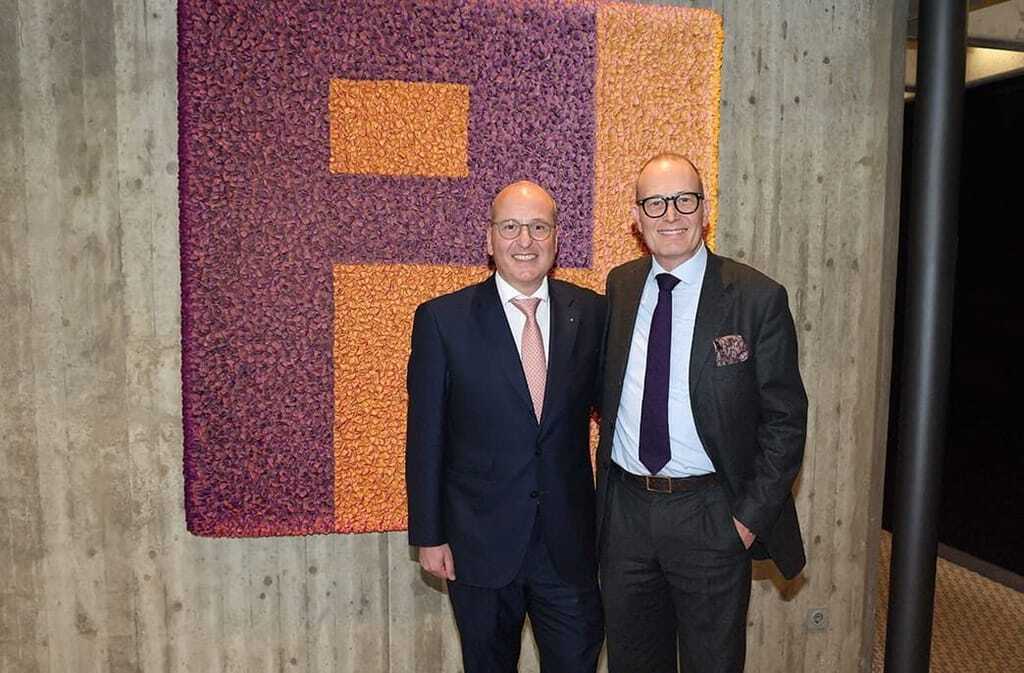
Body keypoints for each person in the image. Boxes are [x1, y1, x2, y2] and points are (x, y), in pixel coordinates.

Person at [596, 153, 808, 673]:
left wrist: (745, 522)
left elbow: (785, 422)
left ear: (705, 209)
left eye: (684, 200)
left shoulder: (756, 297)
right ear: (636, 217)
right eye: (655, 202)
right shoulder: (620, 286)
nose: (671, 214)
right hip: (626, 516)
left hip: (711, 516)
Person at [405, 180, 605, 673]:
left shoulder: (593, 313)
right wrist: (429, 535)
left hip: (569, 545)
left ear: (557, 238)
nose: (525, 241)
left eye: (539, 227)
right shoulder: (442, 320)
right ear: (489, 238)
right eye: (511, 227)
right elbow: (425, 437)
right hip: (478, 544)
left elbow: (617, 411)